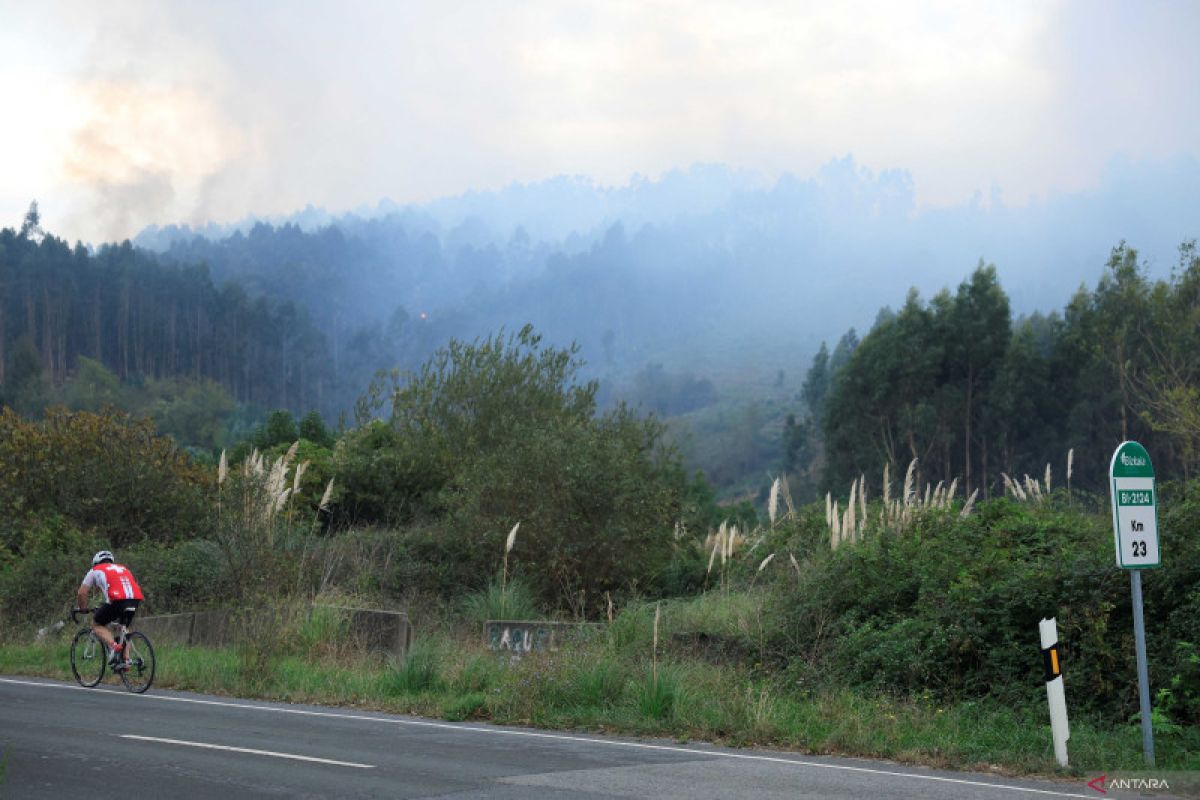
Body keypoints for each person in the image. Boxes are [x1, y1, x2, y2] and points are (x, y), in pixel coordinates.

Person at [76, 550, 144, 667]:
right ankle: (125, 661)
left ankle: (114, 646)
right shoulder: (123, 568)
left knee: (97, 624)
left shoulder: (95, 570)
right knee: (122, 627)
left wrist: (83, 608)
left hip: (117, 601)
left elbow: (82, 593)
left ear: (96, 562)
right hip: (135, 599)